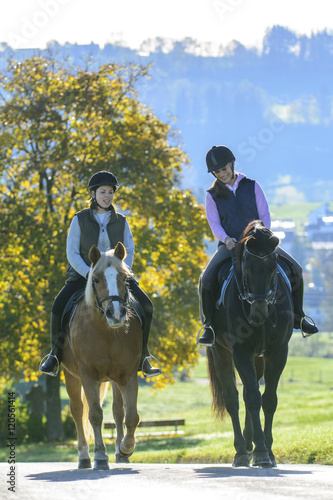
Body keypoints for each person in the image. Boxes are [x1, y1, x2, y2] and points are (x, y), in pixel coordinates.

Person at [40, 170, 161, 378]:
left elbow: (129, 250)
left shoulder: (122, 221)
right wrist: (89, 273)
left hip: (116, 278)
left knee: (147, 305)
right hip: (85, 276)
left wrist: (122, 272)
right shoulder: (79, 219)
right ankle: (54, 355)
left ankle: (144, 356)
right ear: (93, 194)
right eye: (103, 192)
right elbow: (72, 252)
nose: (107, 196)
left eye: (111, 192)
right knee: (58, 305)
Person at [197, 145, 319, 346]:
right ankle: (209, 326)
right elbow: (214, 223)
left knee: (296, 269)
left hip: (259, 244)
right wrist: (226, 239)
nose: (221, 174)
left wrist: (262, 236)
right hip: (230, 246)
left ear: (232, 164)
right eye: (217, 172)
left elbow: (265, 214)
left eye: (224, 169)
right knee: (207, 278)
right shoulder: (212, 195)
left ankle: (299, 317)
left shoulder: (252, 185)